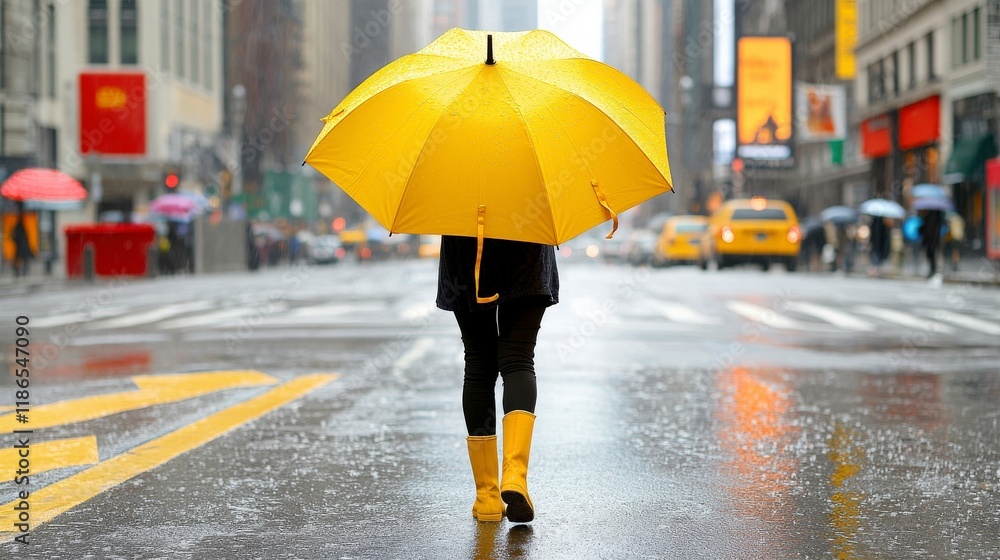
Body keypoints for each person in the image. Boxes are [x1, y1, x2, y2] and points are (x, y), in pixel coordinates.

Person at [437, 235, 558, 524]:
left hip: (466, 246)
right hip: (526, 241)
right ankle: (515, 477)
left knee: (478, 364)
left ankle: (487, 496)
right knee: (518, 358)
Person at [919, 209, 944, 278]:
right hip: (930, 240)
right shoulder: (928, 217)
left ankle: (934, 270)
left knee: (932, 254)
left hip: (932, 240)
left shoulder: (935, 216)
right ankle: (933, 269)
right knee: (931, 255)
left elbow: (926, 229)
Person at [11, 212, 33, 278]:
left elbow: (14, 237)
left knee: (21, 259)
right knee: (23, 259)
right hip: (22, 247)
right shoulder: (21, 227)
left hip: (20, 247)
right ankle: (22, 271)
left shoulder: (19, 227)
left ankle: (20, 272)